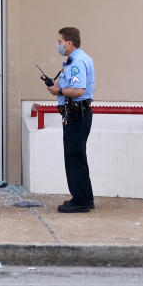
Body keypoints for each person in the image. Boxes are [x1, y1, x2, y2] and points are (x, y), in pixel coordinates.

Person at [43, 26, 96, 213]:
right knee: (77, 156)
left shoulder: (76, 62)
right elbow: (70, 86)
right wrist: (55, 86)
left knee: (74, 157)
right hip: (76, 114)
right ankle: (85, 197)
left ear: (69, 42)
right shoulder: (73, 60)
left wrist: (58, 90)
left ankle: (80, 201)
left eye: (60, 41)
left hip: (77, 115)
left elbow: (78, 90)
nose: (58, 45)